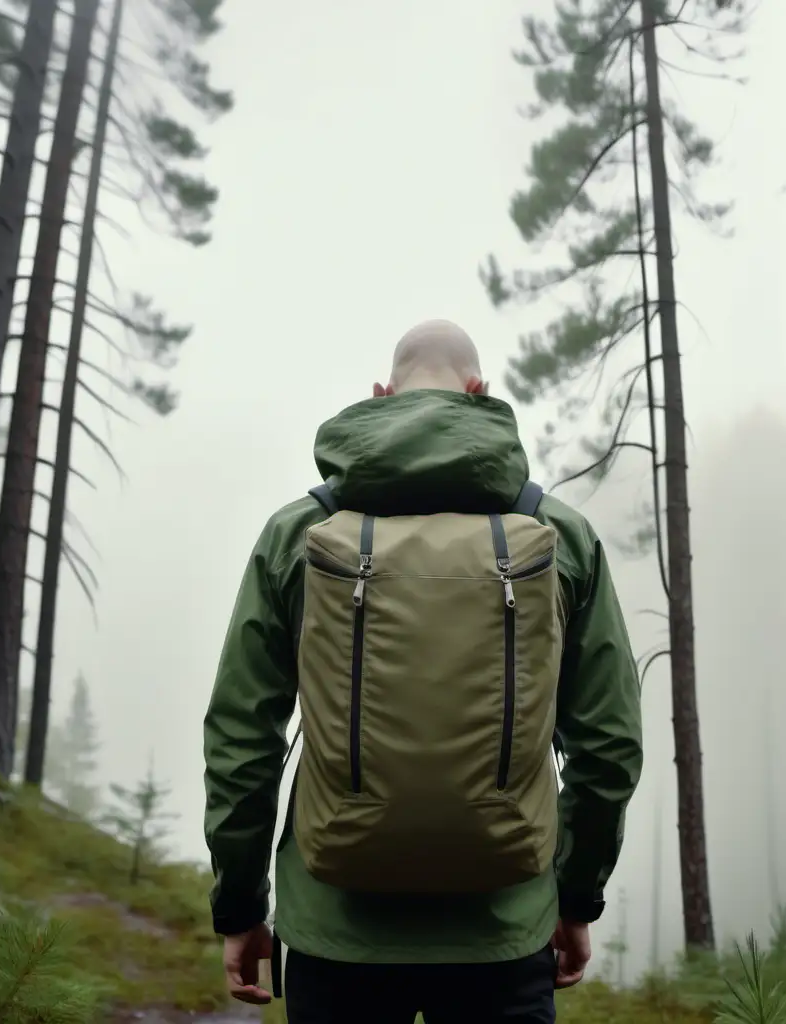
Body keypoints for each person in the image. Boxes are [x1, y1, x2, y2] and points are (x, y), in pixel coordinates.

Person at [203, 319, 643, 1023]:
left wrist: (240, 905)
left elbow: (241, 738)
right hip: (503, 935)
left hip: (334, 931)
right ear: (480, 392)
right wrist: (574, 896)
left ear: (383, 394)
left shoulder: (297, 536)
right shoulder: (562, 537)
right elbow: (609, 746)